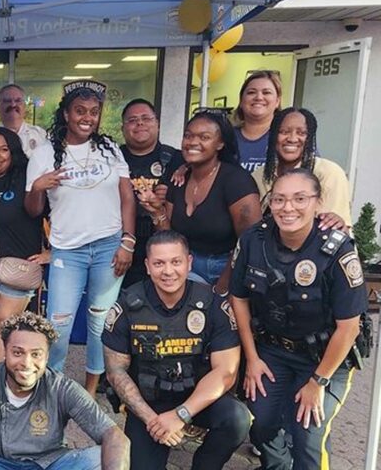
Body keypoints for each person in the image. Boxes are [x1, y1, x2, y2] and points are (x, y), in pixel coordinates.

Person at [230, 168, 368, 470]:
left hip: (325, 360)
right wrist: (252, 358)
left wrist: (317, 382)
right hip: (272, 352)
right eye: (279, 199)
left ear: (318, 202)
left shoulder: (337, 249)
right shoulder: (255, 239)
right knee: (261, 422)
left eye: (299, 198)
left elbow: (349, 328)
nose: (287, 207)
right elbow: (238, 298)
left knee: (307, 435)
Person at [103, 230, 251, 470]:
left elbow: (226, 373)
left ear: (189, 262)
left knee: (237, 418)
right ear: (147, 266)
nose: (168, 271)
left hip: (197, 400)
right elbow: (115, 372)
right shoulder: (126, 306)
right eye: (159, 263)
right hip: (148, 406)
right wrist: (154, 421)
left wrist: (180, 415)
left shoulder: (213, 304)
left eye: (176, 262)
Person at [25, 80, 137, 395]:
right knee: (57, 323)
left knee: (100, 323)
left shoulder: (110, 148)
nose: (87, 117)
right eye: (79, 111)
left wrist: (128, 241)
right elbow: (32, 210)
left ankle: (90, 391)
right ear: (65, 114)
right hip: (68, 252)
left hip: (108, 247)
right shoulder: (44, 153)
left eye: (93, 111)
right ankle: (53, 389)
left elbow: (127, 197)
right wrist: (38, 187)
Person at [0, 311, 130, 470]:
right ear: (5, 351)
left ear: (47, 357)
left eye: (36, 354)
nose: (26, 363)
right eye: (17, 352)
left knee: (100, 458)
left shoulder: (62, 388)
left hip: (50, 464)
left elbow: (114, 435)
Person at [144, 110, 261, 293]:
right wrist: (157, 212)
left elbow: (250, 241)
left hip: (226, 266)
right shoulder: (178, 179)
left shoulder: (236, 181)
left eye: (204, 137)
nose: (193, 142)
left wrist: (224, 285)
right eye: (188, 136)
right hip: (185, 266)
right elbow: (170, 239)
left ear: (220, 143)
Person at [0, 127, 45, 364]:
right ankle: (19, 380)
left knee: (2, 323)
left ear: (13, 152)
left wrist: (51, 253)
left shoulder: (24, 178)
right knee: (15, 330)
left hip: (21, 271)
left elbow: (59, 213)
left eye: (4, 149)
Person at [119, 98, 182, 288]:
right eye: (132, 120)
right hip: (120, 245)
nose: (139, 123)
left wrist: (170, 195)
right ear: (123, 128)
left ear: (157, 124)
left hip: (162, 245)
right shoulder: (112, 158)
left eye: (146, 118)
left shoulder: (177, 159)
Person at [252, 107, 352, 227]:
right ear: (273, 136)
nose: (292, 139)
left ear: (310, 139)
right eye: (284, 132)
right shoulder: (259, 176)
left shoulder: (329, 173)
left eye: (301, 133)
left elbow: (338, 228)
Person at [234, 70, 283, 173]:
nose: (259, 97)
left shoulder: (288, 138)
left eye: (266, 92)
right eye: (251, 92)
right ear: (241, 101)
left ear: (277, 102)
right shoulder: (225, 137)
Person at [0, 83, 49, 158]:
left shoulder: (40, 135)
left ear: (24, 106)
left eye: (18, 100)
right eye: (7, 101)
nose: (13, 105)